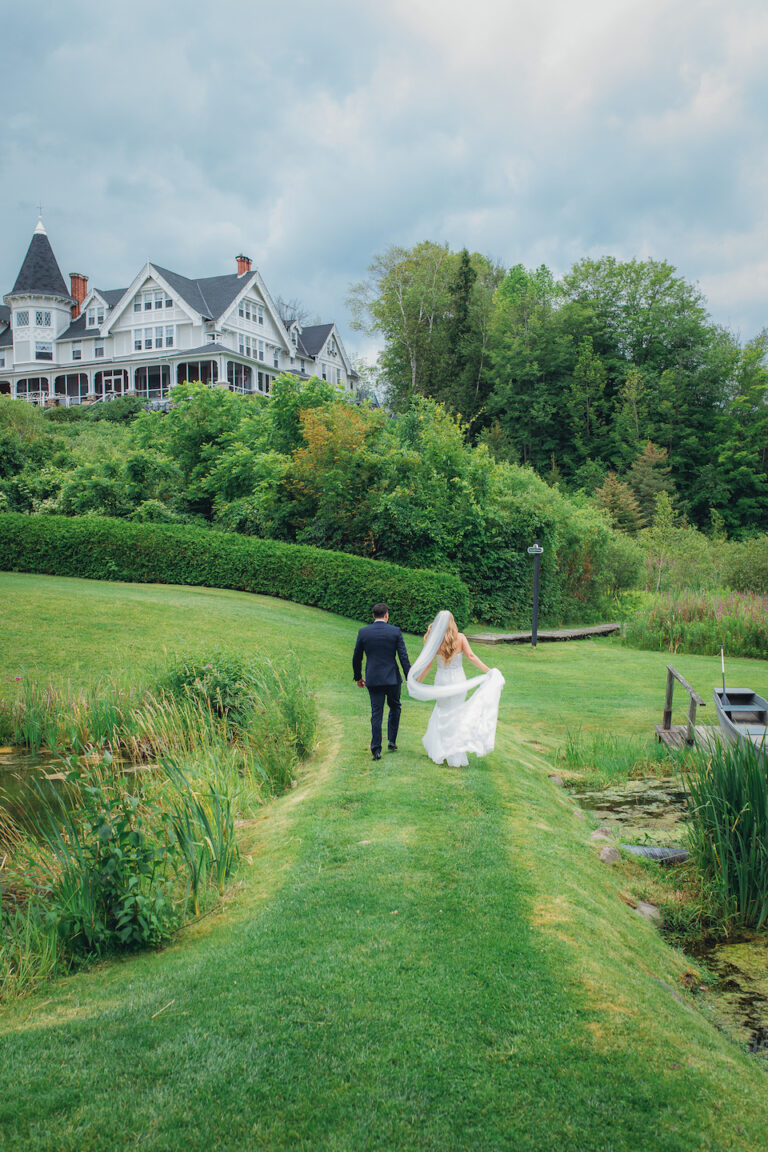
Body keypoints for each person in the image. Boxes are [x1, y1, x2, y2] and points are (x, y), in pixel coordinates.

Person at [407, 610, 504, 767]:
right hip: (459, 681)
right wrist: (488, 670)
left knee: (442, 713)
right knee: (456, 715)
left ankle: (442, 750)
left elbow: (428, 664)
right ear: (452, 622)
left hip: (442, 681)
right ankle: (454, 753)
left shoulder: (434, 640)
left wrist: (418, 681)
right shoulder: (461, 638)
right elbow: (471, 656)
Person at [353, 602, 411, 760]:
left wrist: (358, 677)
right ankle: (392, 741)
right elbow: (403, 656)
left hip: (373, 679)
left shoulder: (364, 632)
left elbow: (357, 657)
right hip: (392, 679)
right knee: (395, 707)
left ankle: (376, 749)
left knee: (376, 713)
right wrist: (409, 677)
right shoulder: (395, 631)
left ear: (373, 615)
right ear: (386, 615)